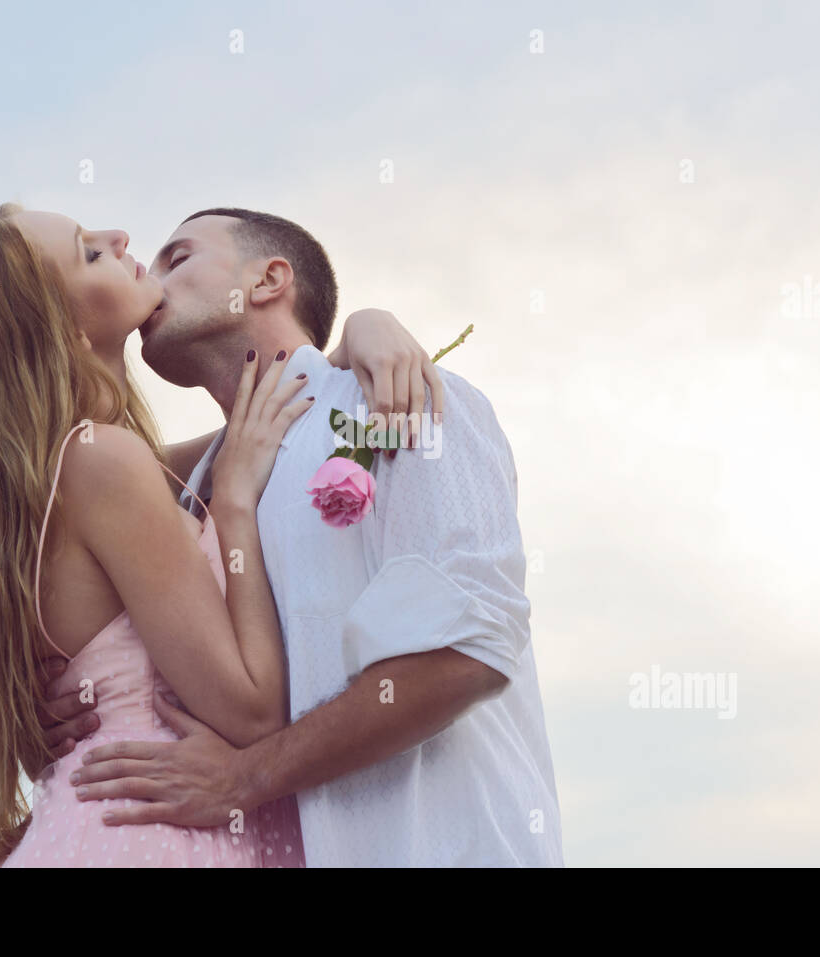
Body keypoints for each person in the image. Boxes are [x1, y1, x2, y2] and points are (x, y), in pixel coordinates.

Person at [0, 203, 440, 867]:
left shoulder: (76, 472)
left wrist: (362, 330)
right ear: (61, 330)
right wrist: (237, 504)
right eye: (89, 252)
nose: (120, 236)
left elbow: (274, 419)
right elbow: (250, 715)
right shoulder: (106, 462)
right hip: (153, 834)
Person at [51, 209, 565, 866]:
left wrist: (246, 777)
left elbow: (467, 650)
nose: (148, 276)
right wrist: (54, 701)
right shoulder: (182, 495)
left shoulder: (398, 403)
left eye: (176, 258)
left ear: (268, 280)